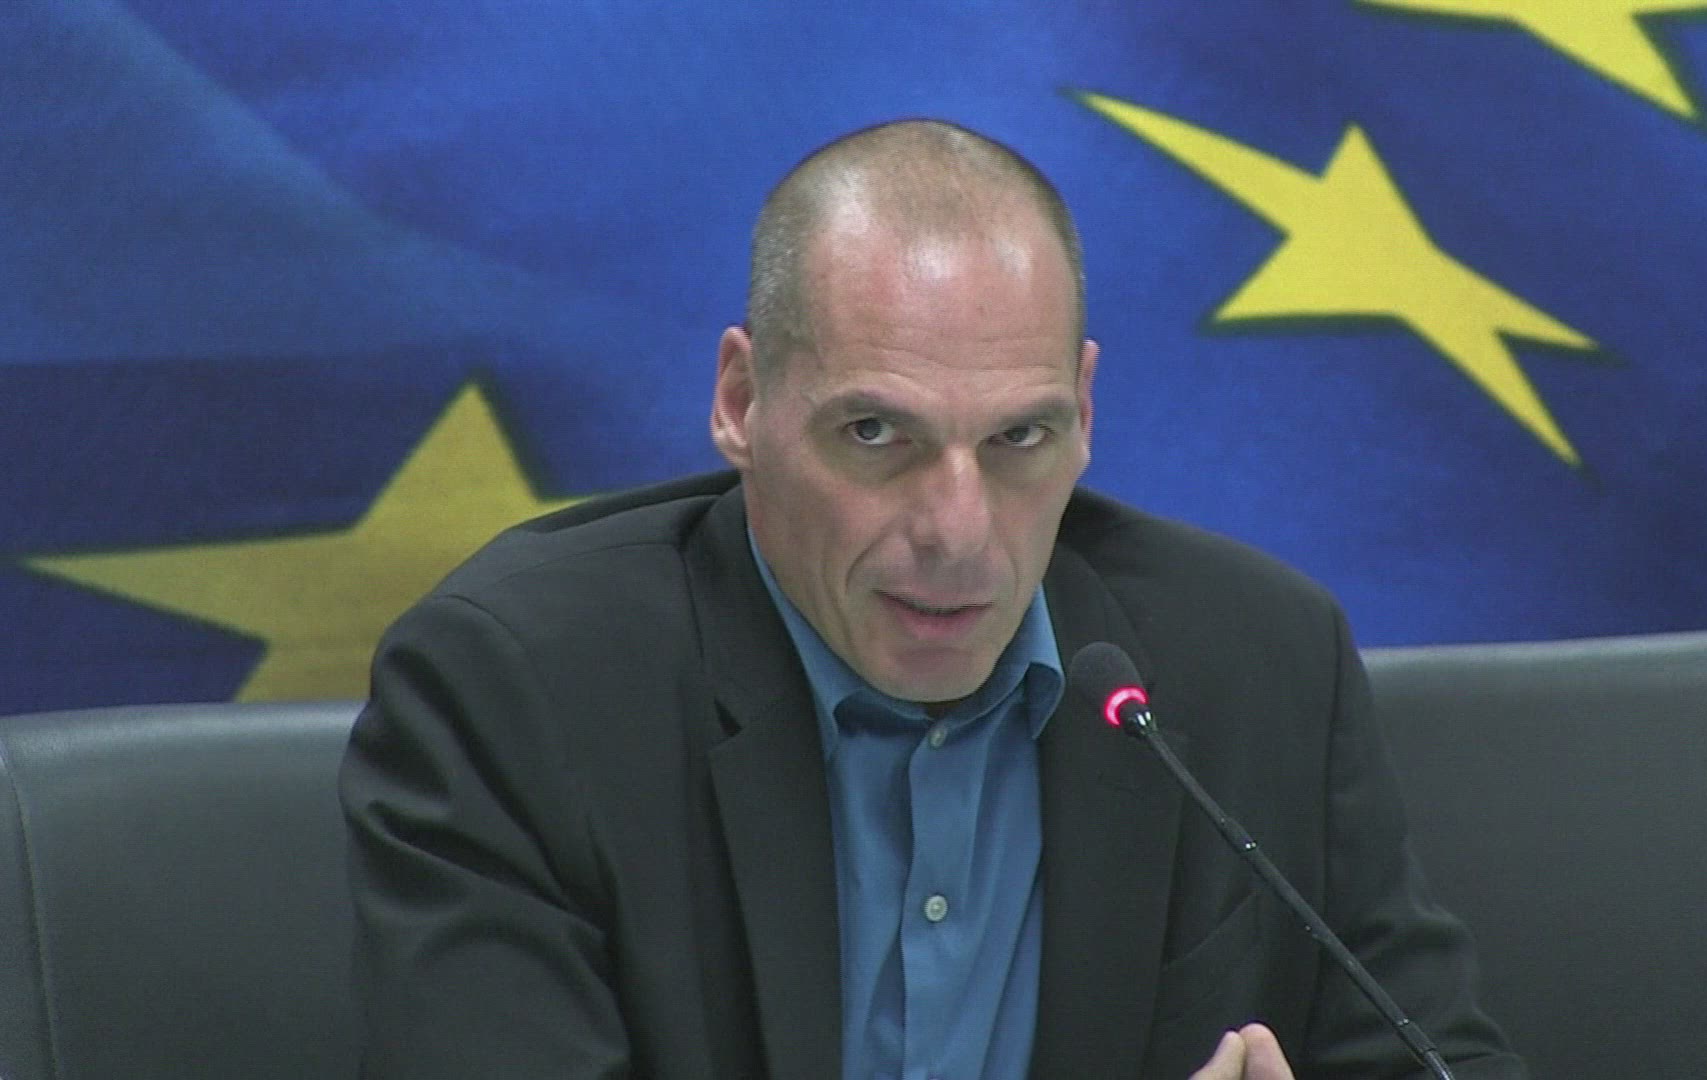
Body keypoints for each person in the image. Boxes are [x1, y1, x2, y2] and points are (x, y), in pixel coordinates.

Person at [340, 119, 1526, 1080]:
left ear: (1084, 413)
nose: (959, 533)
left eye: (1019, 438)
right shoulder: (520, 692)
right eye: (875, 433)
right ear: (743, 403)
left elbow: (1436, 1059)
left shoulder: (1257, 662)